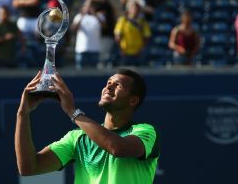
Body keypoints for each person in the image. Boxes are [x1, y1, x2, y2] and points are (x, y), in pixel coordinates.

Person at [15, 69, 160, 184]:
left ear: (133, 100)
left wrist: (73, 112)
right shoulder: (77, 137)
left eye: (118, 85)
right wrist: (23, 113)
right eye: (108, 82)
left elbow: (117, 148)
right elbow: (28, 167)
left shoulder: (145, 131)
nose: (109, 86)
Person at [114, 0, 151, 66]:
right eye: (133, 8)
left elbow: (147, 36)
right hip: (125, 53)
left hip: (138, 53)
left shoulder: (143, 22)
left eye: (137, 9)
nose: (135, 10)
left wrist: (142, 49)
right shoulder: (123, 20)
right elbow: (117, 36)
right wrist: (120, 49)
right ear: (128, 10)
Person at [71, 0, 105, 69]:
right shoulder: (79, 16)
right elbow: (73, 29)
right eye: (87, 6)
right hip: (81, 49)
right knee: (80, 73)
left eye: (90, 6)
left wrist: (95, 14)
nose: (88, 8)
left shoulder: (99, 16)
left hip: (95, 49)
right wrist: (82, 16)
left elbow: (104, 27)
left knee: (94, 73)